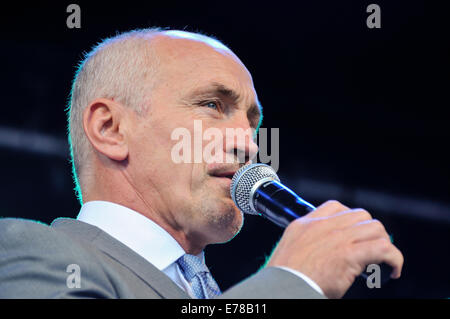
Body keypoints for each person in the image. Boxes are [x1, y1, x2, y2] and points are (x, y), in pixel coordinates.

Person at [0, 28, 403, 299]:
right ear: (111, 128)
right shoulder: (30, 252)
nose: (247, 143)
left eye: (251, 122)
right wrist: (295, 280)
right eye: (212, 105)